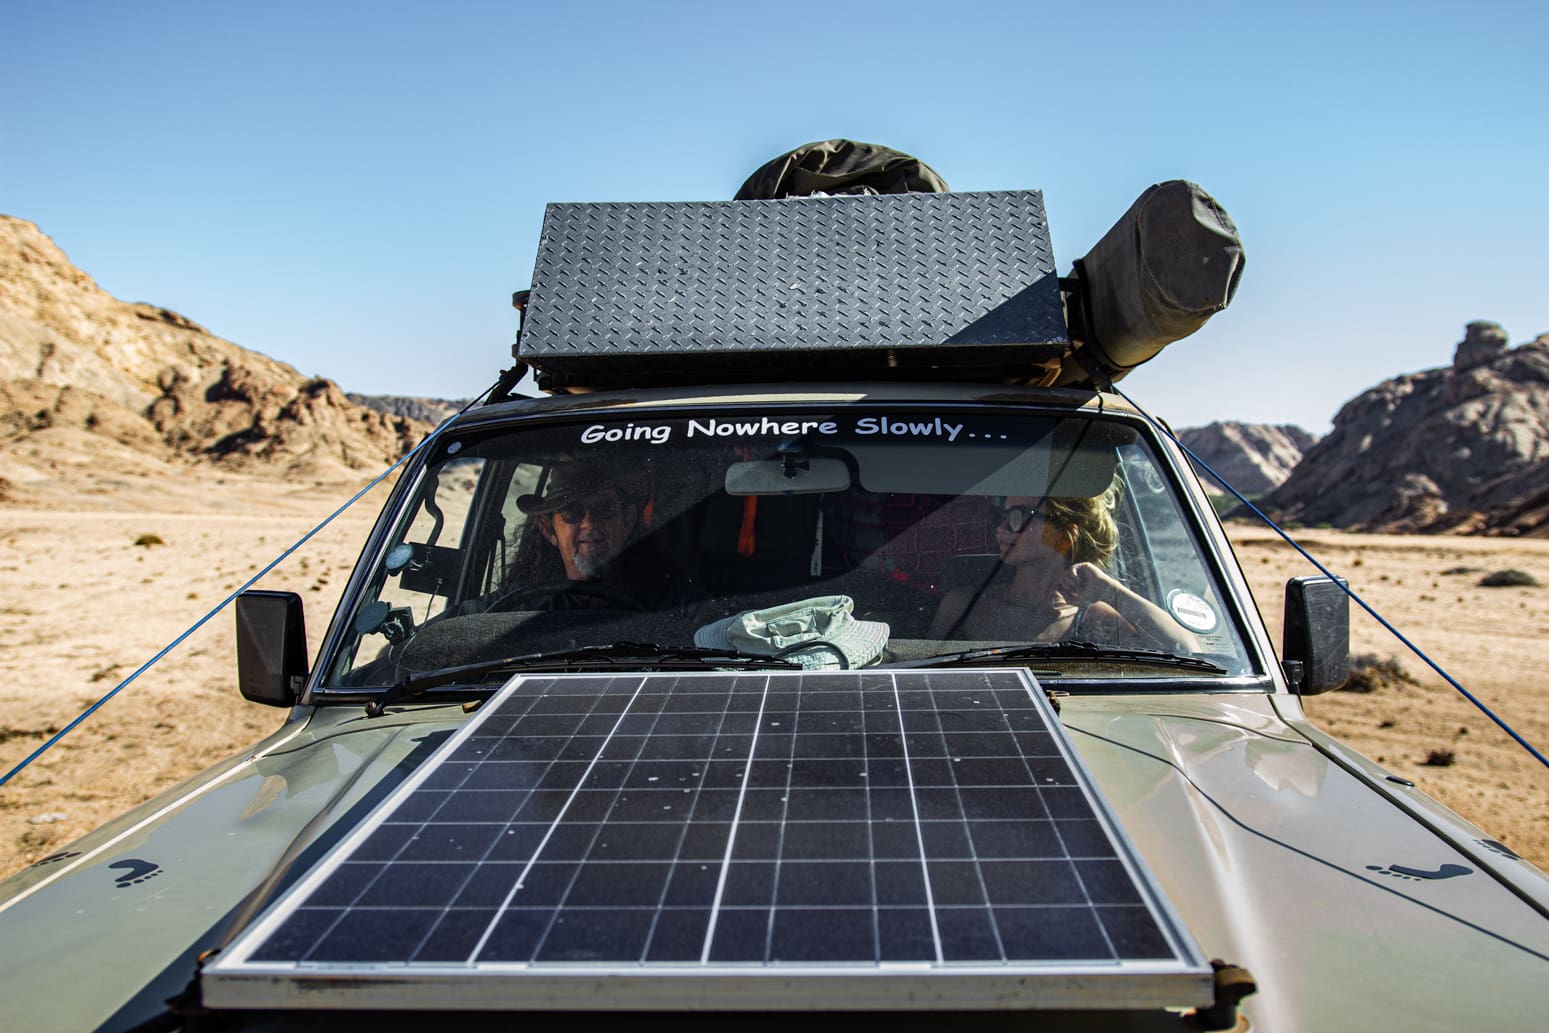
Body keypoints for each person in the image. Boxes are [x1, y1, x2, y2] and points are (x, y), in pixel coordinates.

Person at [926, 485, 1200, 652]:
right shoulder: (964, 605)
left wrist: (1108, 590)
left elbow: (1186, 652)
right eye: (1001, 515)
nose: (1000, 528)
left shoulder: (1093, 619)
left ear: (1064, 535)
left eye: (1018, 517)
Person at [515, 462, 642, 582]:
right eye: (572, 512)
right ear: (548, 528)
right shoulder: (517, 603)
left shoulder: (658, 602)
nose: (589, 523)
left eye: (604, 507)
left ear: (627, 521)